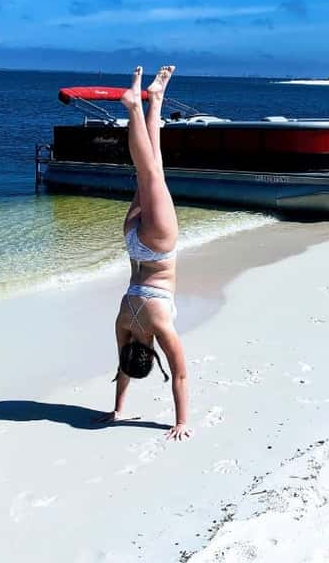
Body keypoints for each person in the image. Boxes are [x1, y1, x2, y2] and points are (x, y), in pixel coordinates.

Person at [97, 65, 192, 441]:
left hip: (157, 248)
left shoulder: (158, 327)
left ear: (150, 353)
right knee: (152, 173)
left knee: (151, 172)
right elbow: (121, 370)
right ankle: (156, 98)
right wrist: (118, 408)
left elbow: (180, 374)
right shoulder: (123, 325)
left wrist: (182, 421)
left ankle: (134, 106)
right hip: (133, 245)